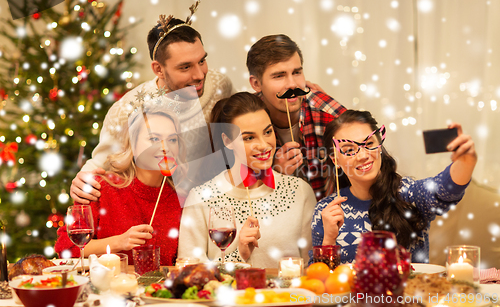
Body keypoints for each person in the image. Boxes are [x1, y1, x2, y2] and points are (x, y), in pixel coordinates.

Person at [71, 3, 234, 204]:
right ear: (158, 69)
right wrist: (82, 180)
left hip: (214, 205)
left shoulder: (219, 85)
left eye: (202, 61)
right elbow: (102, 166)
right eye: (185, 67)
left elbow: (243, 128)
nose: (200, 75)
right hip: (159, 213)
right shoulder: (128, 110)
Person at [310, 110, 477, 264]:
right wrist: (329, 240)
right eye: (349, 150)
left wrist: (466, 160)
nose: (362, 155)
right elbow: (319, 281)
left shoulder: (408, 193)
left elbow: (444, 190)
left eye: (368, 143)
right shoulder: (326, 211)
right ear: (335, 160)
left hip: (409, 295)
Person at [178, 92, 316, 268]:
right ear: (227, 141)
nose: (264, 145)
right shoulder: (200, 198)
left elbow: (310, 268)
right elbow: (189, 271)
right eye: (249, 138)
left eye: (268, 132)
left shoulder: (300, 192)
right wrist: (238, 256)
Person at [55, 103, 186, 266]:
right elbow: (65, 248)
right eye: (154, 138)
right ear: (133, 144)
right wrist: (119, 242)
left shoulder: (182, 199)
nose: (165, 147)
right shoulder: (100, 188)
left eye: (172, 139)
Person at [247, 34, 346, 201]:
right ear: (256, 84)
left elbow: (372, 161)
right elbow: (234, 192)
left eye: (297, 72)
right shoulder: (245, 121)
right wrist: (272, 173)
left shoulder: (328, 114)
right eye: (279, 76)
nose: (292, 84)